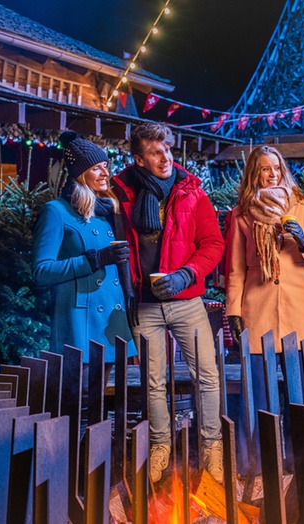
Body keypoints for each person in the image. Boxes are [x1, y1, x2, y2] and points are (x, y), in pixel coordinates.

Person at [111, 123, 225, 484]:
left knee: (207, 375)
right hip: (144, 304)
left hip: (187, 300)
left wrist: (186, 275)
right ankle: (161, 444)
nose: (166, 158)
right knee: (153, 381)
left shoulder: (191, 191)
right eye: (156, 152)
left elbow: (213, 243)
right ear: (138, 158)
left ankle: (213, 447)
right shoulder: (121, 193)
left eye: (168, 150)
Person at [32, 130, 137, 365]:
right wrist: (93, 259)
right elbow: (41, 272)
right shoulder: (56, 211)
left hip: (112, 316)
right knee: (79, 397)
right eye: (97, 168)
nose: (105, 173)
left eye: (105, 166)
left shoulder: (107, 211)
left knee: (109, 395)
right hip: (80, 321)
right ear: (80, 174)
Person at [226, 146, 304, 353]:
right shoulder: (241, 213)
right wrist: (233, 312)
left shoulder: (302, 204)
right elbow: (236, 269)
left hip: (298, 305)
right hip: (258, 307)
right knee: (261, 380)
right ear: (254, 174)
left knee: (301, 379)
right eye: (265, 169)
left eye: (277, 168)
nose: (273, 174)